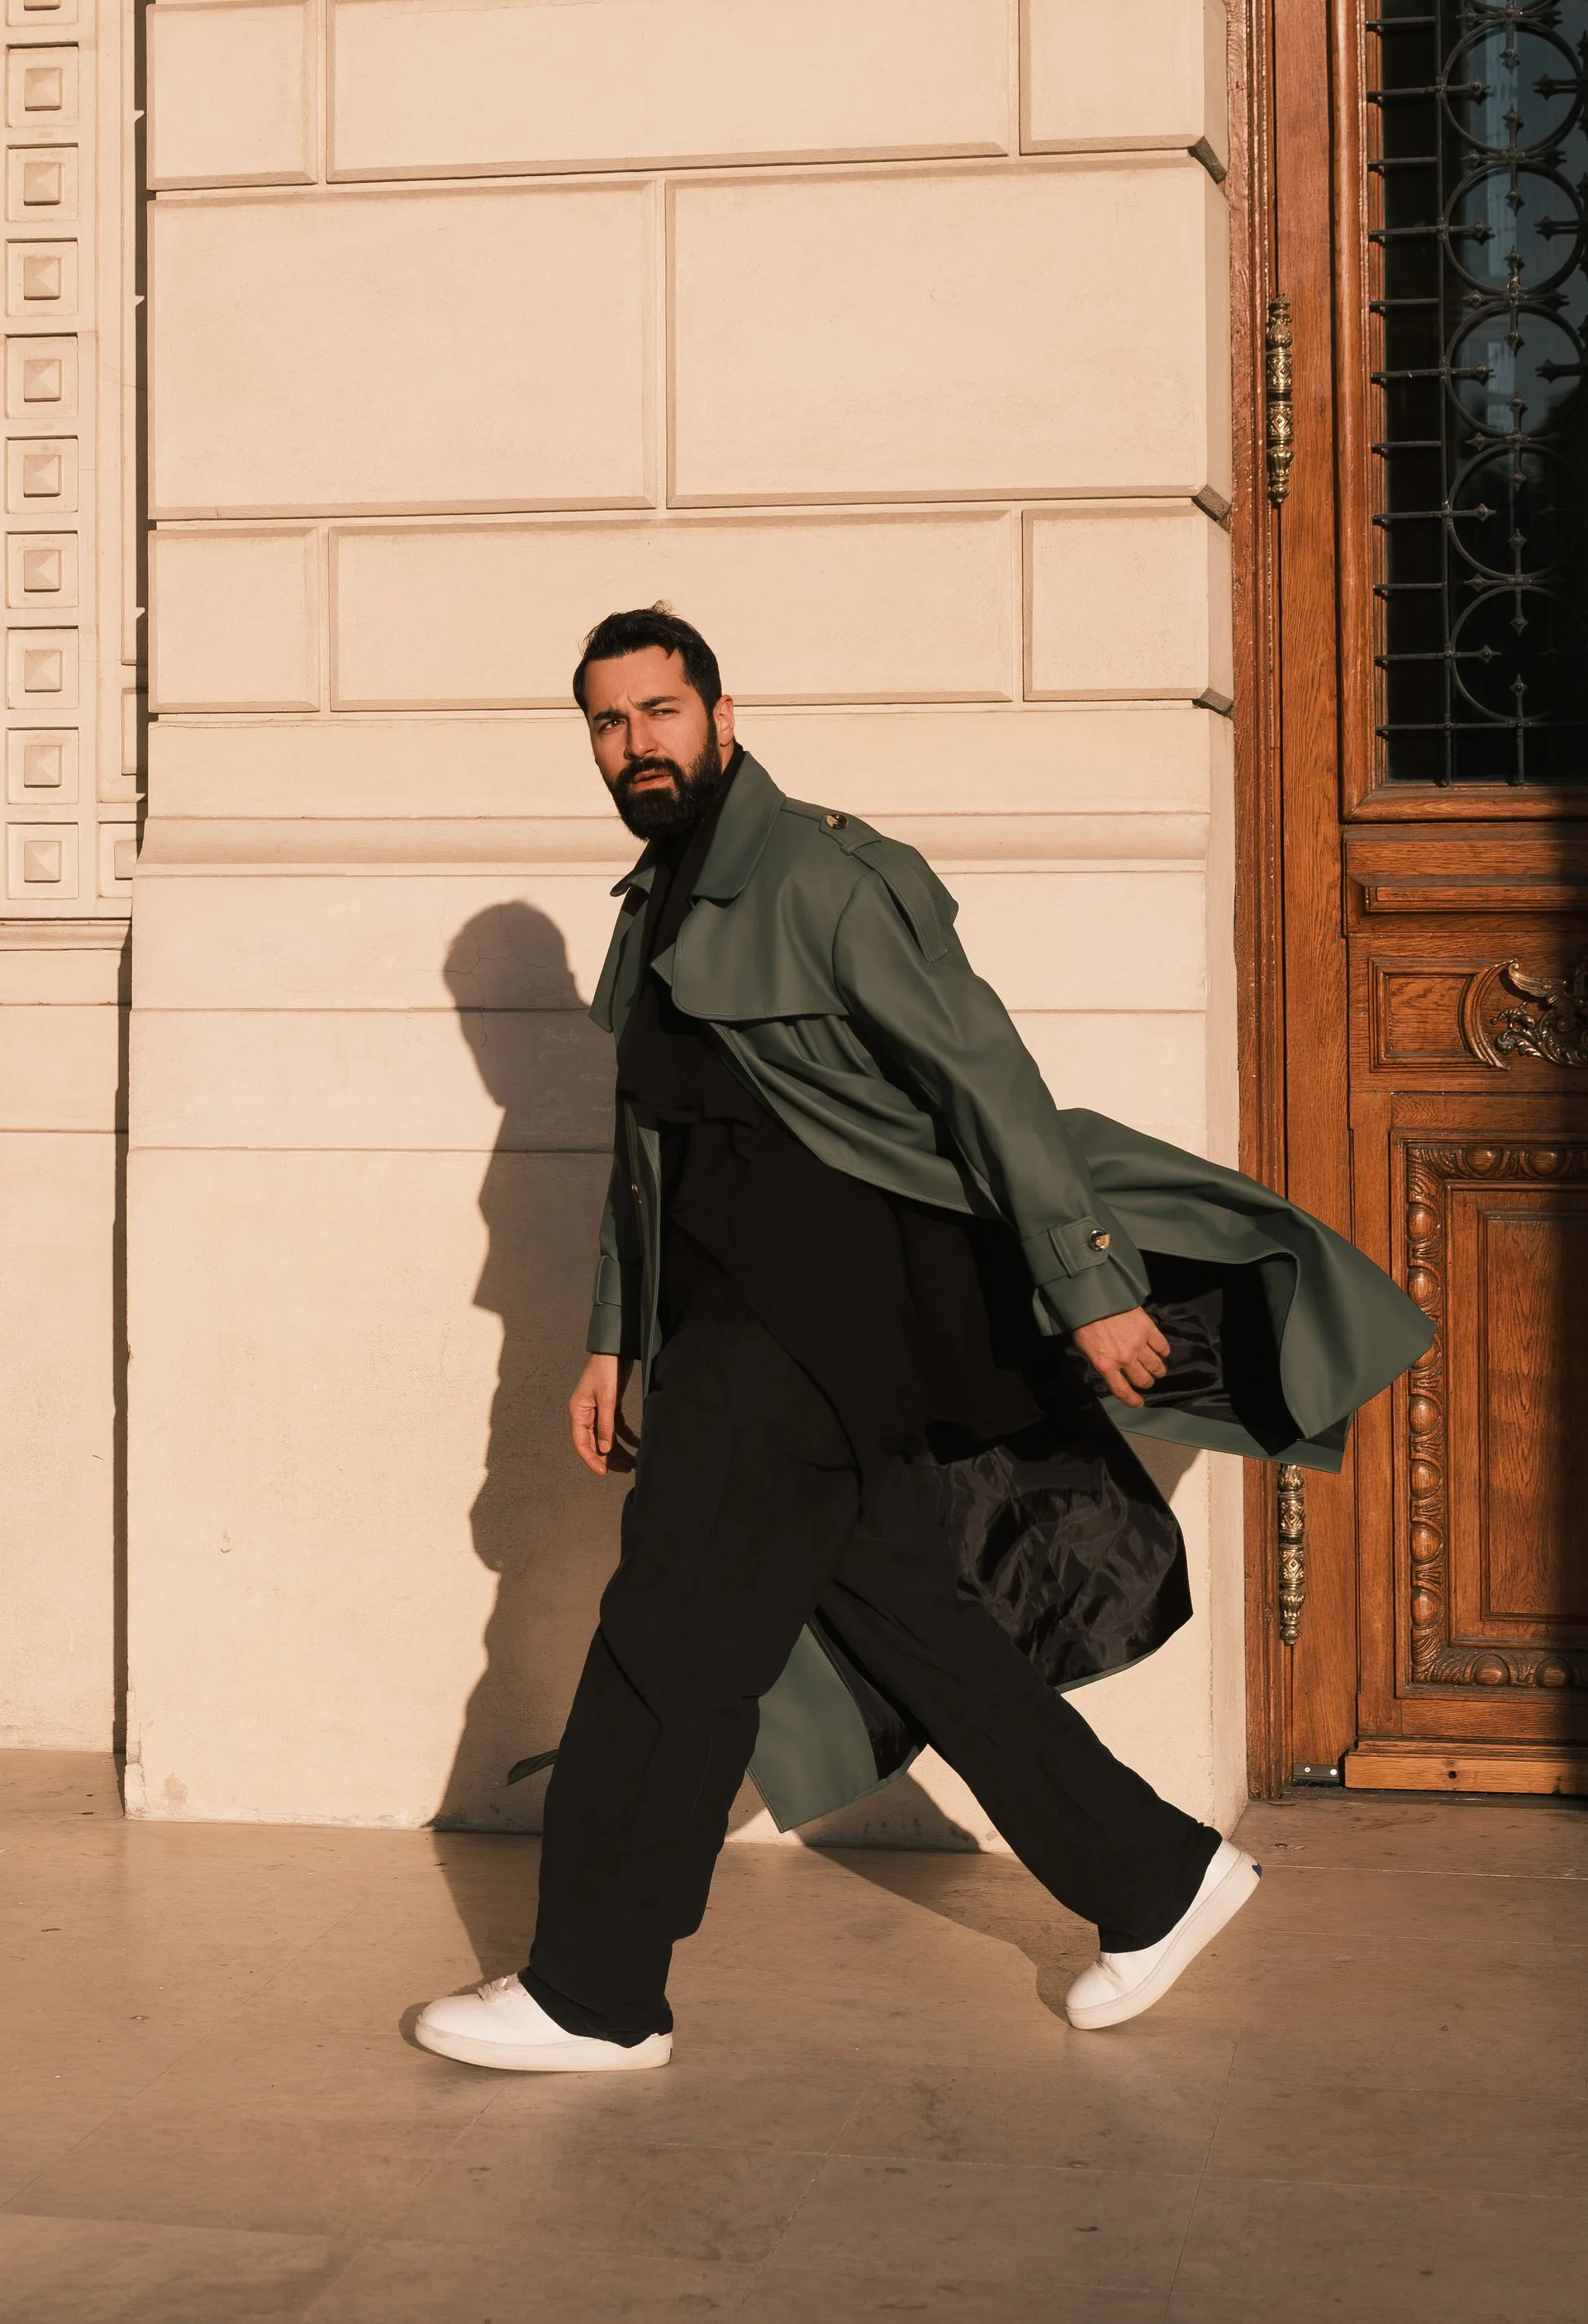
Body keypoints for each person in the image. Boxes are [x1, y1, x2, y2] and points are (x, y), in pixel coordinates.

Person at [415, 608, 1430, 2074]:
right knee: (921, 1628)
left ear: (719, 708)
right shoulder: (651, 908)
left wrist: (1088, 1276)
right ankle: (1155, 1879)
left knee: (668, 1639)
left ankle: (593, 1991)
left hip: (820, 1321)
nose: (635, 743)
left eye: (658, 711)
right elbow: (652, 1163)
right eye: (607, 722)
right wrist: (612, 1341)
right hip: (733, 1324)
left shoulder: (824, 871)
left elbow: (981, 1070)